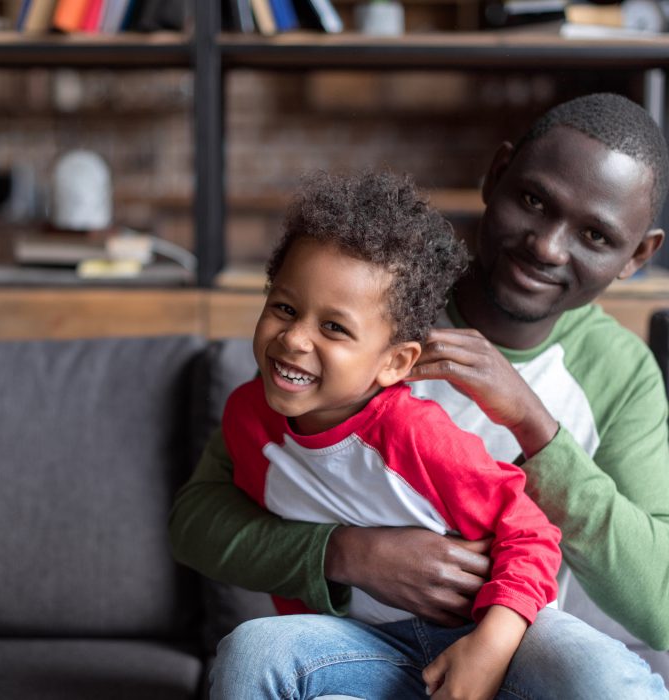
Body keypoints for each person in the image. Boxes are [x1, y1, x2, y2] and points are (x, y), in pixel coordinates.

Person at [169, 92, 669, 698]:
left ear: (637, 256)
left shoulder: (619, 372)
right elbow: (200, 517)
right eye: (533, 201)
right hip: (357, 643)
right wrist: (348, 554)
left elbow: (659, 607)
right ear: (496, 176)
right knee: (254, 652)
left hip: (511, 642)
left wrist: (535, 427)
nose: (547, 246)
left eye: (595, 234)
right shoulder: (367, 300)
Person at [221, 169, 563, 699]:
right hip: (368, 649)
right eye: (284, 308)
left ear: (394, 362)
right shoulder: (246, 419)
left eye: (334, 328)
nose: (293, 338)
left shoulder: (413, 436)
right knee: (253, 649)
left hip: (492, 642)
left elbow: (533, 535)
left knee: (603, 676)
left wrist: (490, 649)